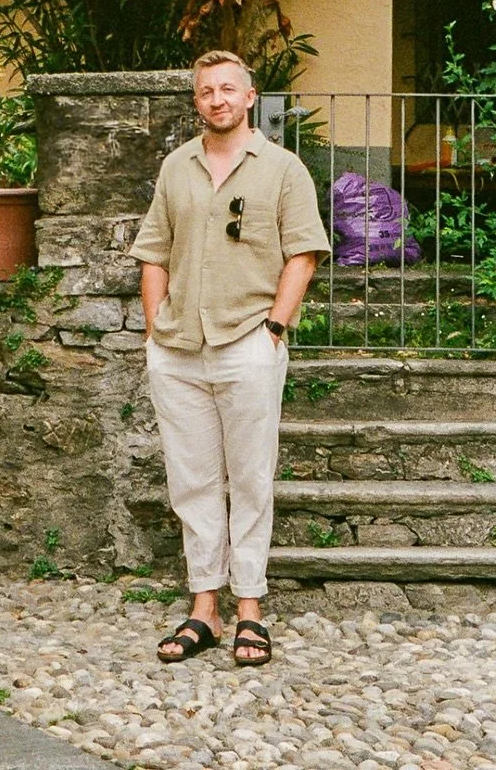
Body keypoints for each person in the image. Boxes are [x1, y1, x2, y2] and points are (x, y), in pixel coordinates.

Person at [131, 49, 330, 668]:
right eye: (205, 91)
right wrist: (153, 330)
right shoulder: (176, 167)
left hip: (248, 341)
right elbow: (153, 252)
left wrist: (273, 328)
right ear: (197, 102)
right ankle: (203, 611)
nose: (216, 99)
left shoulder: (282, 169)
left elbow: (304, 253)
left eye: (227, 89)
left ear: (250, 98)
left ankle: (251, 611)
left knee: (248, 478)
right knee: (191, 483)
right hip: (178, 349)